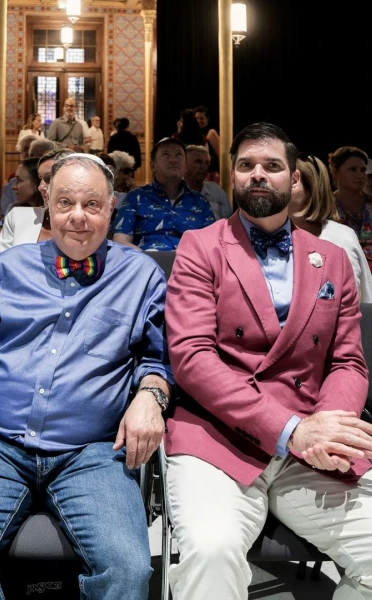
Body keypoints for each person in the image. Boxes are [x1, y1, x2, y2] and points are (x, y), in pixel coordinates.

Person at [0, 153, 174, 600]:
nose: (78, 216)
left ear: (111, 206)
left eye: (92, 204)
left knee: (128, 569)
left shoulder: (141, 276)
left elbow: (160, 358)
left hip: (93, 449)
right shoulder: (8, 267)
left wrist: (151, 395)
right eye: (65, 203)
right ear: (48, 204)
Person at [164, 122, 372, 600]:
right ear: (232, 176)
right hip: (218, 438)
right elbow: (192, 358)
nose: (258, 174)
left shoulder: (332, 258)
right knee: (212, 553)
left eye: (272, 166)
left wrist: (330, 428)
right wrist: (291, 430)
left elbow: (348, 362)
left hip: (311, 447)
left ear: (294, 178)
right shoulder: (200, 246)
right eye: (246, 165)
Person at [289, 154, 372, 302]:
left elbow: (365, 300)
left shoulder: (342, 238)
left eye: (293, 179)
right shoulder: (263, 234)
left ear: (312, 187)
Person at [113, 137, 214, 251]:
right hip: (146, 259)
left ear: (185, 166)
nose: (173, 160)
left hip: (190, 260)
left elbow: (212, 243)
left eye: (178, 154)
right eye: (166, 154)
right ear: (153, 166)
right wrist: (144, 258)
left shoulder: (200, 202)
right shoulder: (135, 198)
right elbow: (120, 241)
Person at [0, 148, 73, 259]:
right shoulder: (17, 217)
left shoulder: (87, 221)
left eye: (48, 178)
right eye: (40, 179)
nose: (40, 187)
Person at [329, 146, 372, 272]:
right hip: (339, 272)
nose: (360, 175)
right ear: (335, 172)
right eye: (353, 169)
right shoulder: (325, 207)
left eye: (363, 170)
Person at [184, 145, 232, 220]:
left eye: (207, 163)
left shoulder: (216, 191)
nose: (204, 167)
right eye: (198, 162)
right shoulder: (174, 191)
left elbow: (229, 222)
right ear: (184, 164)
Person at [194, 105, 221, 181]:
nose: (199, 121)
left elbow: (222, 156)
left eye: (202, 118)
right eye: (197, 118)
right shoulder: (194, 135)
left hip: (211, 175)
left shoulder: (211, 133)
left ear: (207, 119)